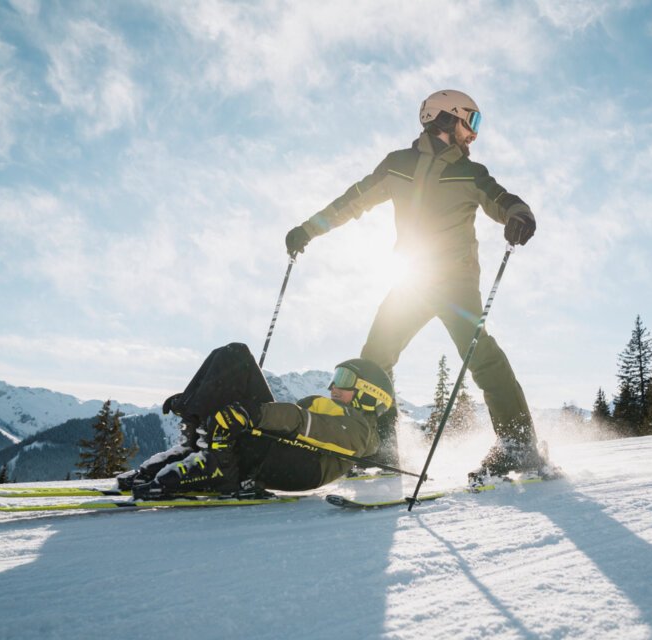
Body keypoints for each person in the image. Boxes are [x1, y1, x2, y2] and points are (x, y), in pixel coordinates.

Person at [284, 89, 549, 479]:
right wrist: (308, 229)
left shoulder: (471, 172)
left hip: (455, 280)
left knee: (479, 353)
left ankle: (518, 444)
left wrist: (519, 215)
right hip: (413, 277)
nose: (474, 134)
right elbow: (352, 201)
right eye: (471, 121)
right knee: (375, 357)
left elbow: (502, 200)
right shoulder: (398, 165)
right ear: (445, 118)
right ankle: (381, 448)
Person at [119, 344, 393, 499]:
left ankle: (220, 468)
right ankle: (195, 446)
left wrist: (254, 414)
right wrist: (199, 404)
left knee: (239, 369)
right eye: (335, 377)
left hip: (299, 467)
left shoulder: (362, 430)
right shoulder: (336, 410)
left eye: (344, 380)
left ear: (370, 394)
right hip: (282, 451)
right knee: (233, 355)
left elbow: (303, 422)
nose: (333, 386)